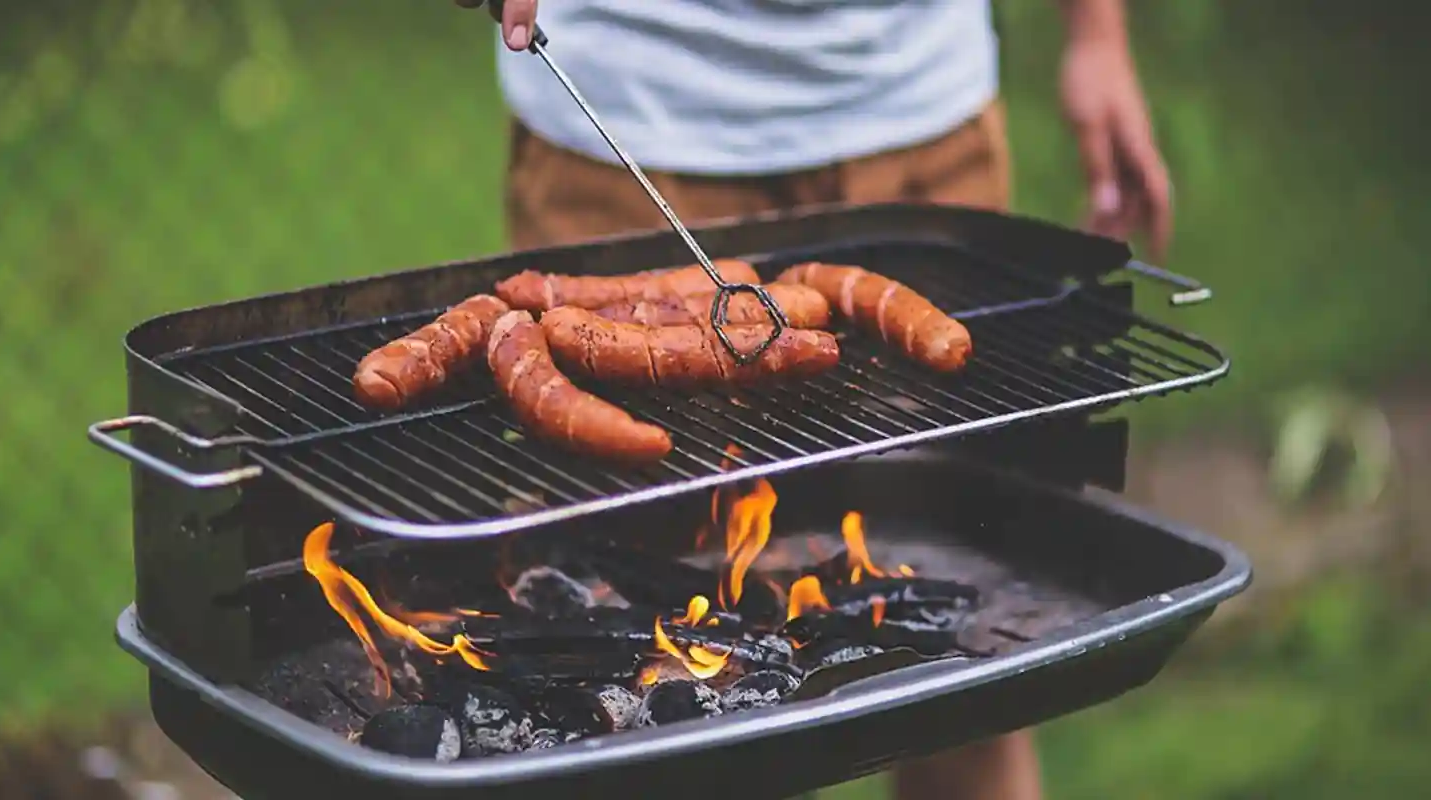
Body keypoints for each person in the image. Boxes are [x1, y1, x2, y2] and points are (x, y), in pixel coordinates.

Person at [456, 1, 1172, 798]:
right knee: (635, 689)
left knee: (970, 681)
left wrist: (1097, 36)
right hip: (630, 119)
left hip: (924, 115)